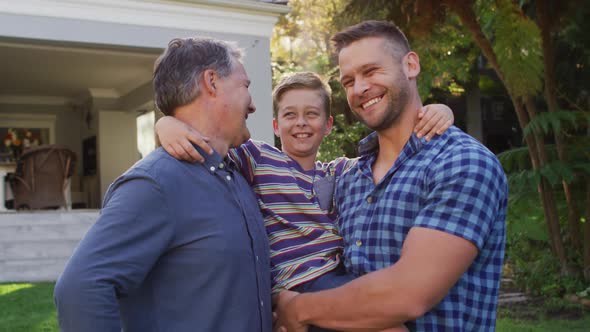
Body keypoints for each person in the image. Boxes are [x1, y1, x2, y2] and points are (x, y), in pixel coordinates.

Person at [156, 72, 453, 331]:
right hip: (296, 280)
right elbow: (206, 141)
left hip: (337, 276)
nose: (301, 123)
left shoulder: (341, 171)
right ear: (275, 125)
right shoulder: (258, 158)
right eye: (289, 115)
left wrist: (439, 110)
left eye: (311, 114)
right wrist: (166, 125)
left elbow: (392, 151)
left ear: (328, 125)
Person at [273, 20, 508, 332]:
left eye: (371, 71)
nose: (359, 89)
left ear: (410, 65)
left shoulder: (461, 162)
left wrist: (297, 308)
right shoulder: (349, 179)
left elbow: (408, 294)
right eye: (348, 81)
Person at [53, 37, 271, 332]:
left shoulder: (240, 172)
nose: (254, 104)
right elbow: (80, 289)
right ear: (212, 82)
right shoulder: (154, 184)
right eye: (245, 86)